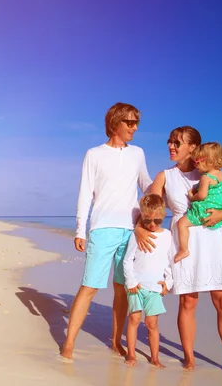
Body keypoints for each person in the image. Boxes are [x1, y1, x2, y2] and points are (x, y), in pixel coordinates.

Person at [135, 125, 222, 380]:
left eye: (177, 142)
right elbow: (148, 207)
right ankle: (189, 358)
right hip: (184, 242)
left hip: (213, 239)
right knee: (189, 301)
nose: (171, 146)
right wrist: (139, 229)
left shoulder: (209, 171)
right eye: (170, 141)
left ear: (193, 148)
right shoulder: (165, 176)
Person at [60, 102, 152, 361]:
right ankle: (68, 345)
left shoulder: (137, 153)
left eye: (137, 123)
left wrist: (173, 182)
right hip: (102, 229)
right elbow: (85, 193)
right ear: (115, 124)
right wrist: (80, 229)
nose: (134, 127)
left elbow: (147, 184)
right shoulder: (94, 154)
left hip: (131, 230)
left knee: (122, 289)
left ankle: (115, 342)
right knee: (89, 287)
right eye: (130, 122)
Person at [123, 194, 173, 368]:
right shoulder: (137, 235)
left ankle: (155, 357)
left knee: (152, 323)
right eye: (147, 221)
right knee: (134, 320)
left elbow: (170, 261)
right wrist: (130, 282)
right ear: (141, 216)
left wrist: (169, 282)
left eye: (157, 221)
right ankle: (131, 354)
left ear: (164, 215)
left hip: (155, 287)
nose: (152, 225)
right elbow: (128, 260)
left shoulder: (167, 236)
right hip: (136, 285)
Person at [174, 142, 222, 262]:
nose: (195, 165)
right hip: (220, 211)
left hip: (204, 212)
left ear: (210, 161)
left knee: (181, 224)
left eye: (197, 162)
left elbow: (202, 195)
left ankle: (184, 250)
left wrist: (192, 197)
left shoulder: (206, 177)